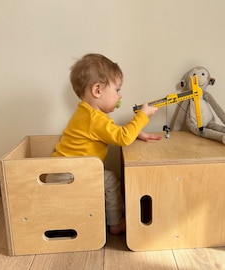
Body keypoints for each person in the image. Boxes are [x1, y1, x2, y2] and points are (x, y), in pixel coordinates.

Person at [52, 53, 162, 235]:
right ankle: (116, 223)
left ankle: (114, 212)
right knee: (111, 180)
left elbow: (113, 132)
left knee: (106, 177)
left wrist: (136, 134)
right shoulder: (94, 118)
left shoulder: (87, 113)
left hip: (60, 170)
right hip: (68, 175)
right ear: (97, 90)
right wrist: (142, 116)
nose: (120, 95)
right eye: (117, 90)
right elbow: (122, 137)